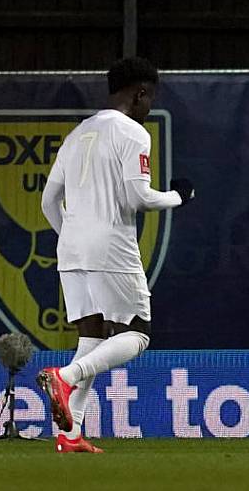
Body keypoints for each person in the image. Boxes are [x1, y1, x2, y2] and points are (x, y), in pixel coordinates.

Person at [37, 57, 194, 453]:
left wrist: (72, 233)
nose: (149, 106)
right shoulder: (132, 133)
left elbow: (47, 201)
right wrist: (179, 196)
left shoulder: (77, 134)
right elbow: (137, 196)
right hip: (110, 245)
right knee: (137, 335)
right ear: (140, 93)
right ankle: (66, 376)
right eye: (149, 98)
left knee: (91, 337)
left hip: (70, 248)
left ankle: (71, 435)